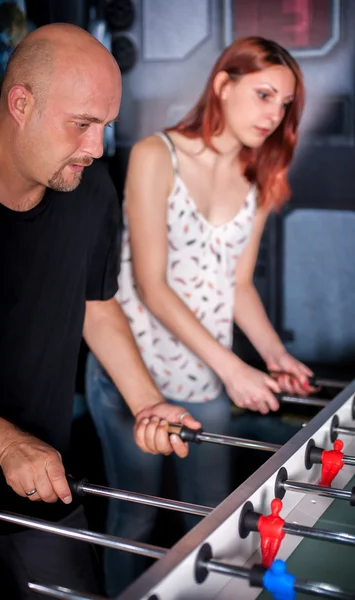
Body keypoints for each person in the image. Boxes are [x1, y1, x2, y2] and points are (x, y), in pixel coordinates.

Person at [0, 23, 201, 600]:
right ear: (21, 103)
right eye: (82, 124)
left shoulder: (88, 192)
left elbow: (98, 305)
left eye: (106, 127)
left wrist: (146, 401)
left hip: (45, 489)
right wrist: (4, 443)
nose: (96, 148)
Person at [86, 35, 315, 596]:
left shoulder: (259, 175)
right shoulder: (153, 155)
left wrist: (273, 355)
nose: (275, 114)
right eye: (264, 95)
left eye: (284, 104)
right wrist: (235, 369)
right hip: (130, 376)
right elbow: (151, 285)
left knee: (208, 525)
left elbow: (238, 287)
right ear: (222, 85)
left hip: (202, 380)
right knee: (135, 523)